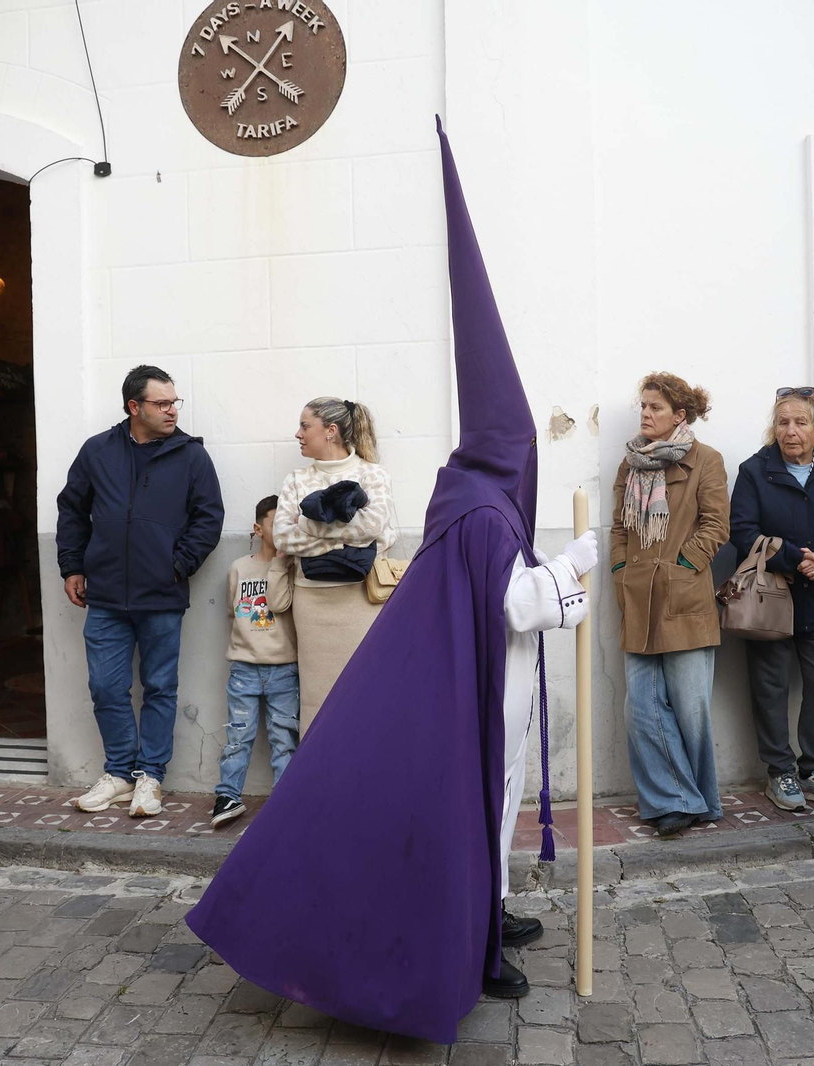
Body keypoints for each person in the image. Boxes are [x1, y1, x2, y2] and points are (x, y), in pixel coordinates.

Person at [187, 120, 598, 1039]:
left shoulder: (469, 499)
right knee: (477, 805)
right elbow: (517, 601)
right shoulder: (488, 510)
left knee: (490, 808)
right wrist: (575, 566)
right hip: (483, 692)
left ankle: (487, 911)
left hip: (491, 684)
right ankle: (471, 942)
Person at [57, 365, 223, 819]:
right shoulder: (97, 451)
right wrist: (72, 565)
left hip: (161, 595)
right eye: (161, 403)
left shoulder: (191, 457)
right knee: (106, 688)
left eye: (174, 402)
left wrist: (176, 565)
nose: (172, 410)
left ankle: (149, 776)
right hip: (106, 595)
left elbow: (209, 518)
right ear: (135, 407)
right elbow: (72, 509)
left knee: (160, 687)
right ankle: (118, 773)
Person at [729, 389, 814, 812]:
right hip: (771, 596)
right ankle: (779, 773)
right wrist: (791, 558)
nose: (791, 431)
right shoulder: (755, 470)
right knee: (769, 688)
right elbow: (742, 531)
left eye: (801, 422)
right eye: (783, 422)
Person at [609, 372, 729, 837]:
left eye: (655, 407)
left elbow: (717, 524)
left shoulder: (706, 461)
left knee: (690, 706)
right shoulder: (630, 463)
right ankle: (674, 800)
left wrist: (682, 563)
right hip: (638, 595)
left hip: (685, 595)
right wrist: (621, 572)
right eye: (643, 405)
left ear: (680, 415)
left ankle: (700, 799)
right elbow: (619, 526)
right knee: (640, 707)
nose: (645, 413)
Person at [273, 396, 398, 733]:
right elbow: (283, 538)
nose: (298, 434)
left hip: (362, 600)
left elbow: (377, 532)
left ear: (330, 431)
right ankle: (320, 782)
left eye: (304, 425)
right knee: (316, 697)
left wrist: (310, 526)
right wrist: (348, 539)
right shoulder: (296, 480)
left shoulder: (373, 476)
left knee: (365, 692)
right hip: (311, 602)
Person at [211, 496, 299, 829]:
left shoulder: (292, 569)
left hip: (283, 669)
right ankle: (228, 795)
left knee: (284, 738)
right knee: (238, 737)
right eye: (277, 523)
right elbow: (234, 611)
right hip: (244, 669)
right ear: (258, 528)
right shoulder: (239, 568)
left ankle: (285, 800)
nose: (283, 530)